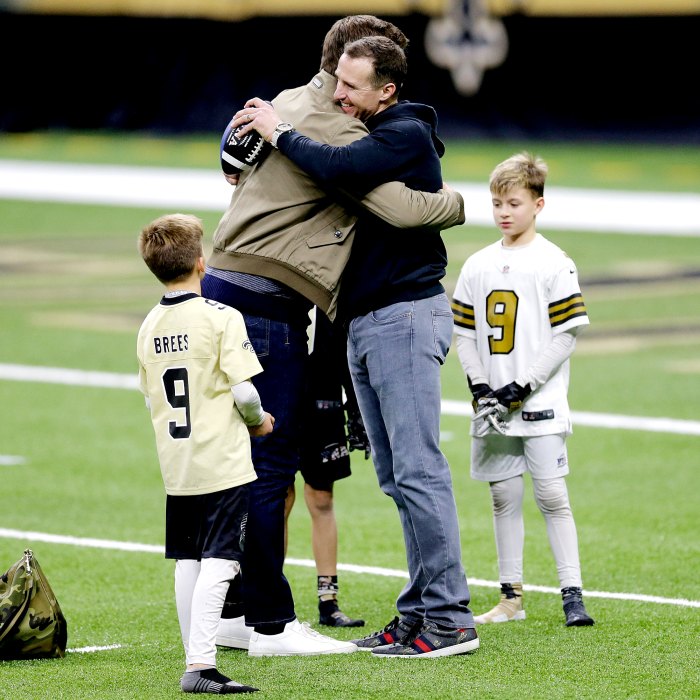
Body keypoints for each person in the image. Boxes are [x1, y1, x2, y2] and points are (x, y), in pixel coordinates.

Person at [205, 15, 465, 658]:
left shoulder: (389, 130)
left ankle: (448, 618)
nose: (340, 92)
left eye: (353, 84)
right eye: (337, 79)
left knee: (415, 469)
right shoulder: (336, 114)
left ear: (388, 89)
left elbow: (377, 192)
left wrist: (456, 204)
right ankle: (417, 611)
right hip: (359, 318)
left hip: (402, 314)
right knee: (395, 476)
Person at [451, 152, 595, 627]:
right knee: (502, 496)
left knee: (552, 494)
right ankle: (510, 596)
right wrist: (479, 384)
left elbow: (565, 334)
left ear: (538, 205)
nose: (504, 211)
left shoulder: (554, 261)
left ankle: (572, 593)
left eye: (513, 202)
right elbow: (466, 333)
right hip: (494, 403)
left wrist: (523, 384)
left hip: (539, 401)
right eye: (497, 203)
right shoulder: (478, 264)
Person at [136, 213, 274, 695]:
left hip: (178, 462)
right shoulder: (220, 317)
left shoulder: (149, 325)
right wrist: (260, 422)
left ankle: (194, 651)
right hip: (221, 459)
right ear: (201, 262)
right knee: (222, 557)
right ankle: (200, 663)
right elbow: (246, 392)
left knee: (187, 559)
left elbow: (152, 395)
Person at [284, 307, 369, 628]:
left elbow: (347, 343)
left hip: (325, 401)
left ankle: (328, 601)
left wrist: (357, 408)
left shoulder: (331, 287)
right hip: (281, 397)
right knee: (281, 497)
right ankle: (274, 598)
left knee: (322, 499)